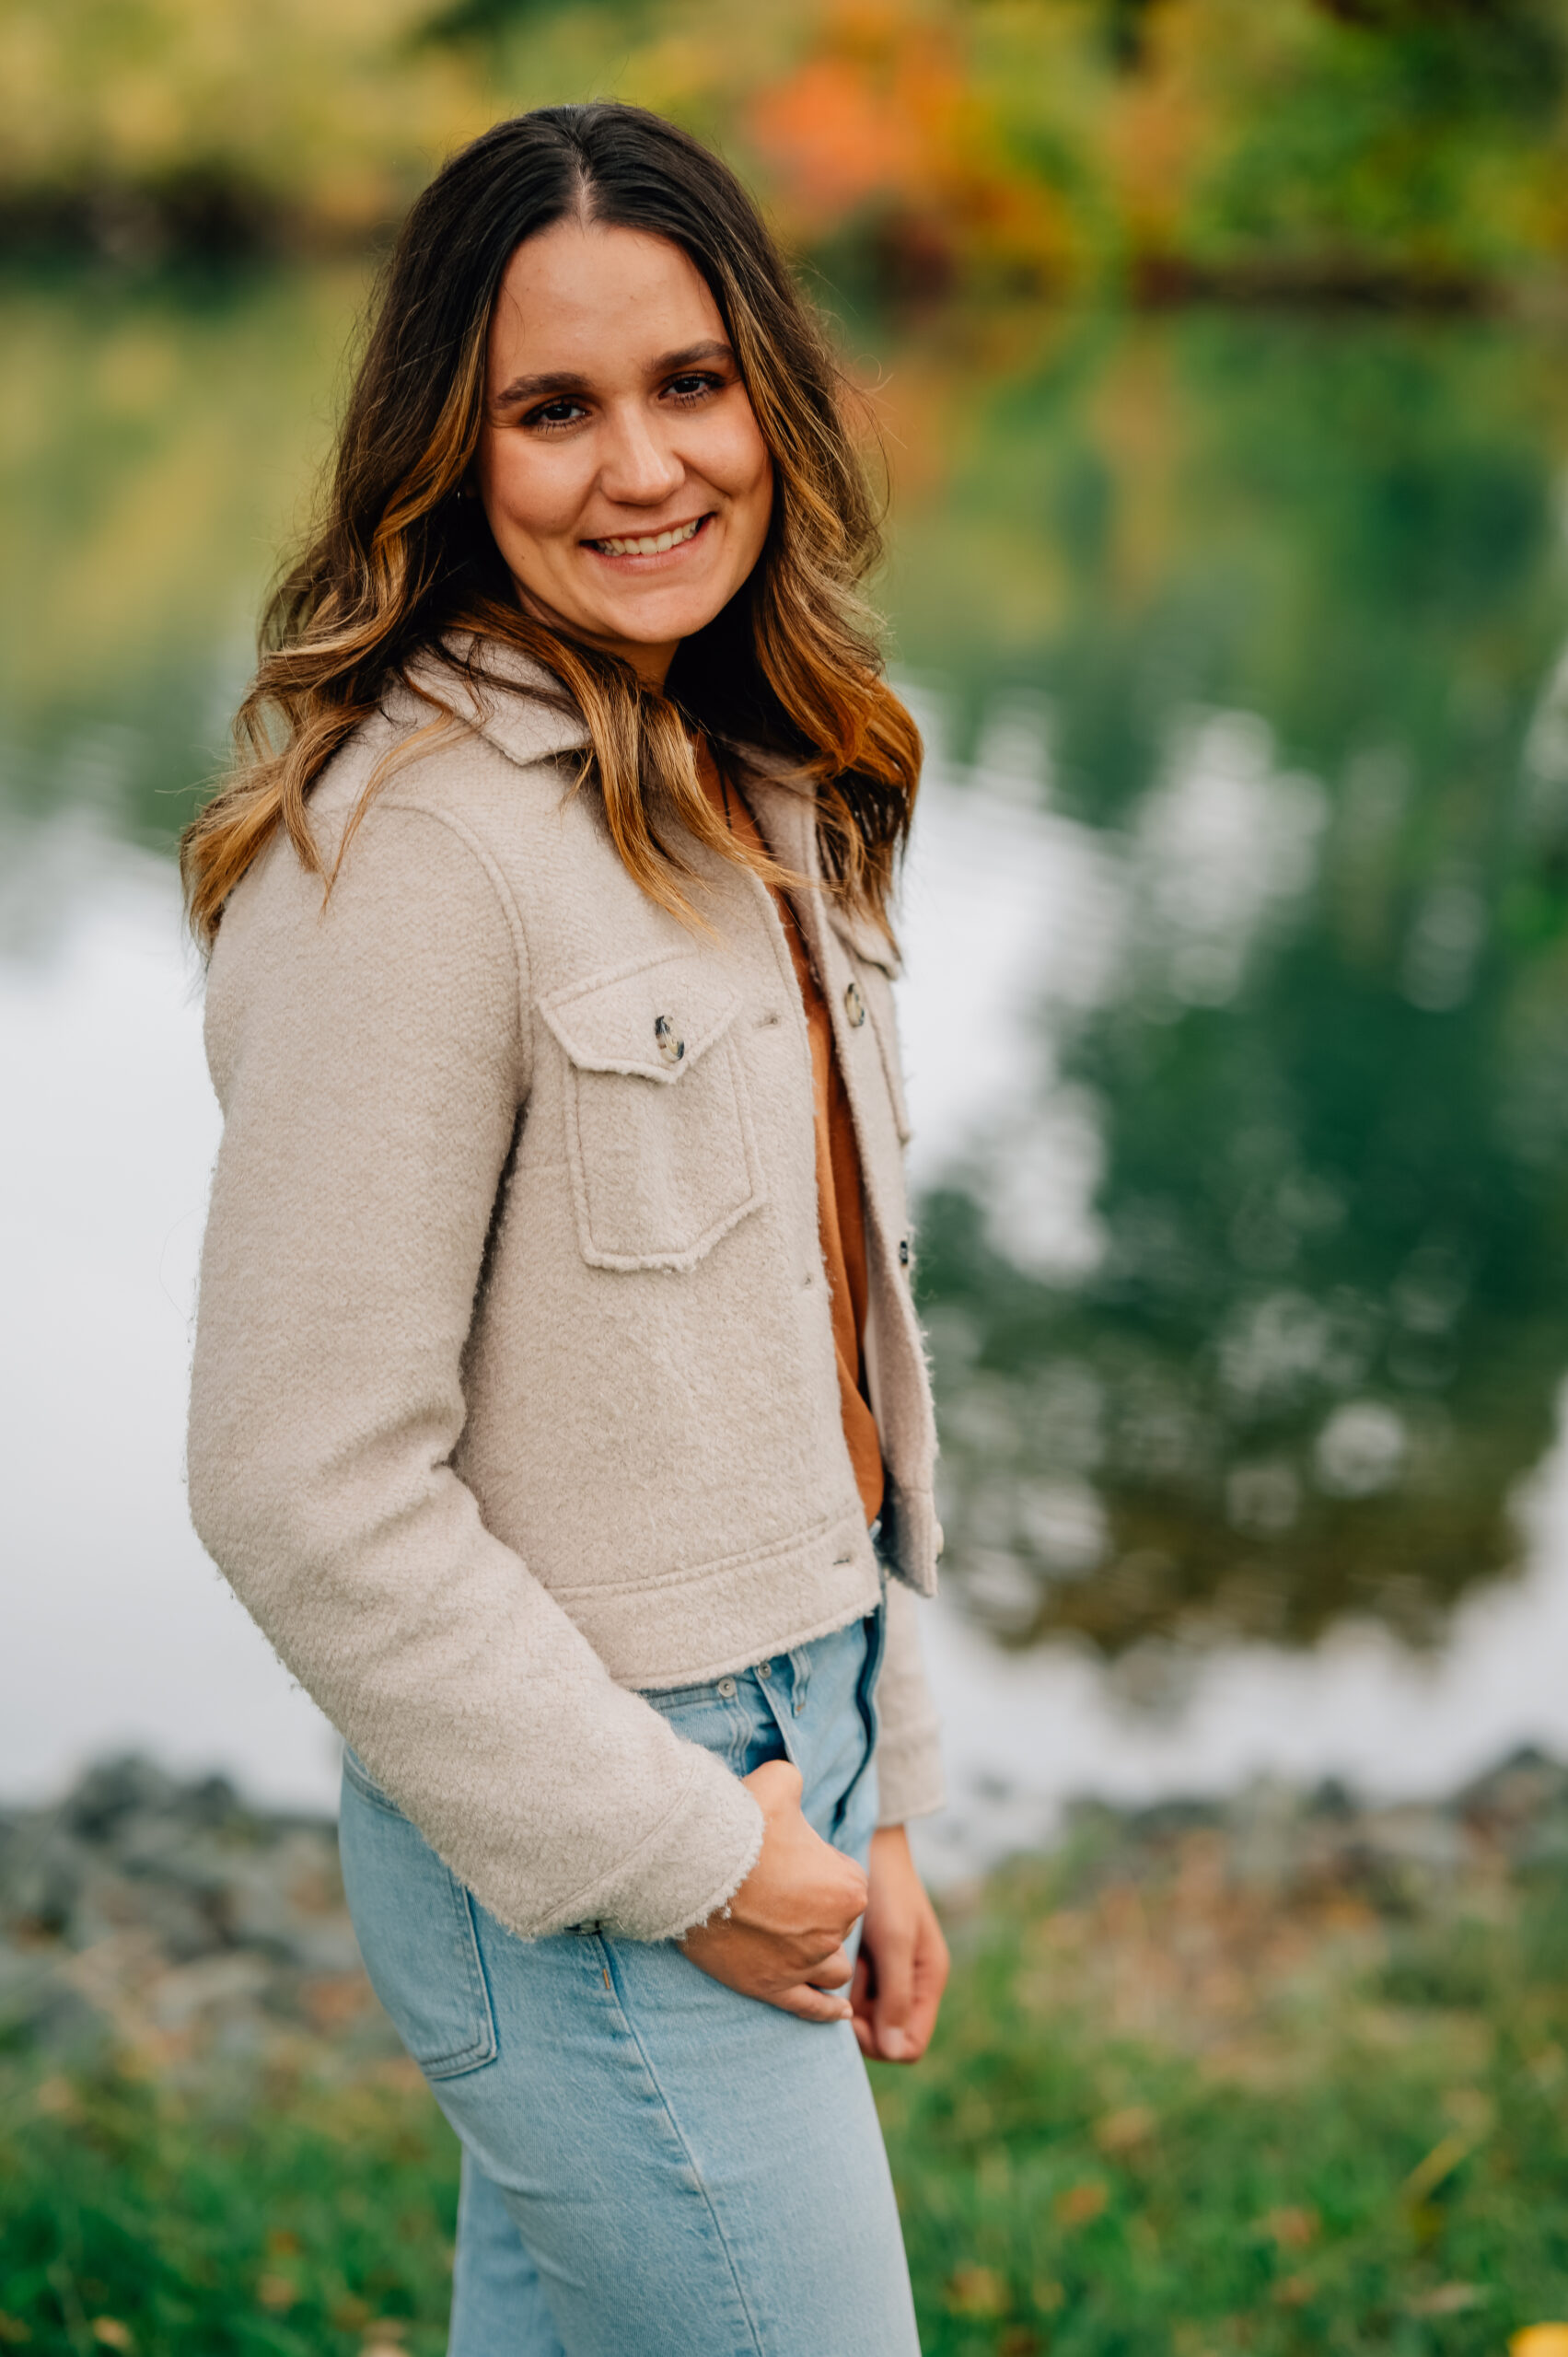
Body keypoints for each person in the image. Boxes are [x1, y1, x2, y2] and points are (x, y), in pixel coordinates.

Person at [182, 100, 947, 2357]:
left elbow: (834, 1352)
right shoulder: (410, 849)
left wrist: (883, 1785)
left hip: (797, 1741)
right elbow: (301, 1483)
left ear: (773, 401)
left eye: (690, 384)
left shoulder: (768, 780)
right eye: (554, 407)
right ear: (452, 443)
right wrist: (702, 1853)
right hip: (597, 1837)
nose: (643, 467)